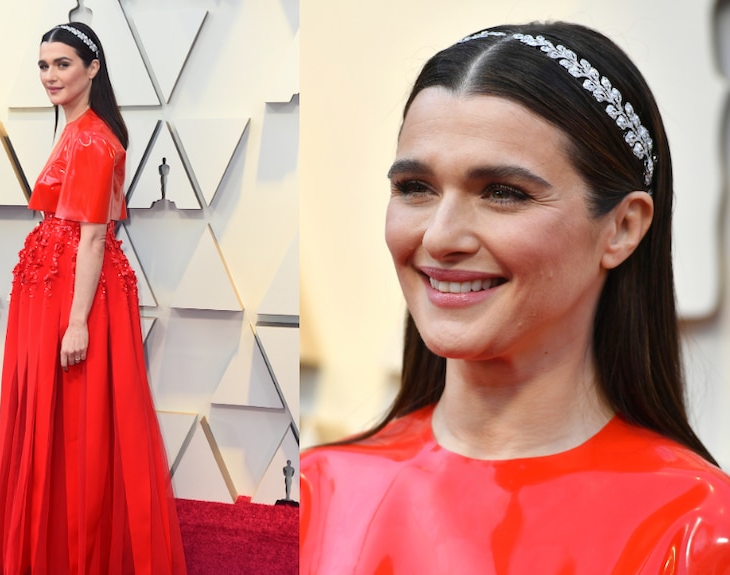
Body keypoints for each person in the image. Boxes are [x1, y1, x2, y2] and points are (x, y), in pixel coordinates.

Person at [299, 21, 730, 573]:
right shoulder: (319, 491)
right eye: (415, 188)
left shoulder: (698, 528)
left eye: (503, 193)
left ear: (622, 228)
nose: (439, 237)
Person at [0, 22, 186, 574]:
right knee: (63, 413)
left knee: (73, 416)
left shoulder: (90, 139)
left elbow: (93, 236)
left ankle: (68, 550)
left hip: (72, 289)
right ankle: (56, 544)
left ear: (93, 68)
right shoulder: (78, 130)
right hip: (55, 280)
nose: (50, 76)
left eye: (62, 64)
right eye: (44, 65)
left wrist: (76, 323)